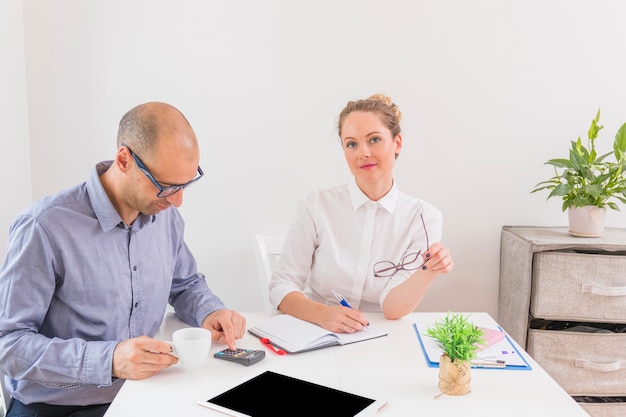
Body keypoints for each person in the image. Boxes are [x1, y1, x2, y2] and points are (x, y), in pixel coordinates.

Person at [0, 102, 246, 417]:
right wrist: (110, 360)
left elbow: (184, 284)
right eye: (166, 186)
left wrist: (210, 310)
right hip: (55, 406)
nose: (177, 201)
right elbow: (9, 343)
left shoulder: (164, 216)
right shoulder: (44, 226)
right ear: (124, 159)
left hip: (141, 395)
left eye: (185, 184)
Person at [269, 94, 454, 333]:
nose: (362, 153)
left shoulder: (424, 218)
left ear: (397, 143)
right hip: (317, 332)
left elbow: (392, 308)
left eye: (374, 140)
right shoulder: (316, 205)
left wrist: (429, 271)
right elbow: (281, 286)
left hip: (380, 336)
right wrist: (324, 315)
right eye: (352, 144)